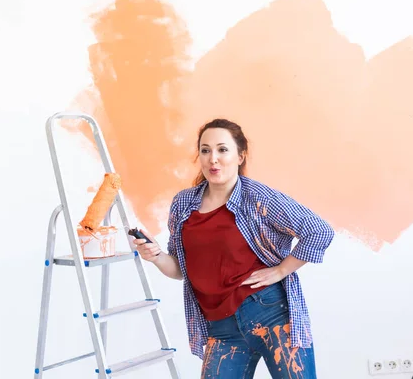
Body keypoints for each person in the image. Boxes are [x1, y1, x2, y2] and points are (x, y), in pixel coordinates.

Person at [133, 118, 335, 379]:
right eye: (205, 151)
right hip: (222, 327)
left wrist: (281, 271)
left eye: (222, 149)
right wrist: (157, 256)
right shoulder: (184, 203)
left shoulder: (258, 198)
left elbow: (319, 231)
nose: (212, 159)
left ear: (240, 156)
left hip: (270, 314)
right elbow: (180, 270)